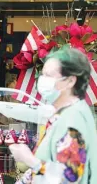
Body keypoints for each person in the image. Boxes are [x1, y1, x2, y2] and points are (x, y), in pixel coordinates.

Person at [9, 47, 97, 184]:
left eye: (49, 75)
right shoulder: (65, 114)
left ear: (70, 81)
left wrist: (30, 160)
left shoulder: (73, 120)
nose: (42, 81)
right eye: (43, 75)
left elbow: (70, 177)